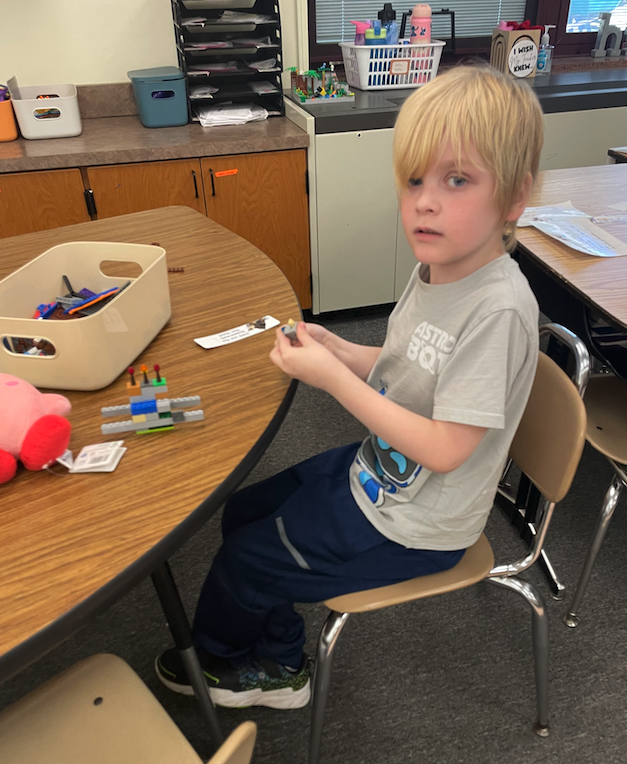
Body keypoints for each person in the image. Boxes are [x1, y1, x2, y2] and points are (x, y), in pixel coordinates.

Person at [156, 63, 543, 710]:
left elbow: (447, 448)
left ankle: (267, 667)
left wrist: (333, 380)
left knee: (244, 561)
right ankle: (275, 633)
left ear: (512, 198)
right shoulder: (439, 269)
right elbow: (407, 367)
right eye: (414, 180)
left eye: (456, 180)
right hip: (382, 473)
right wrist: (343, 350)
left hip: (420, 520)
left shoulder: (496, 310)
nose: (423, 200)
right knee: (244, 513)